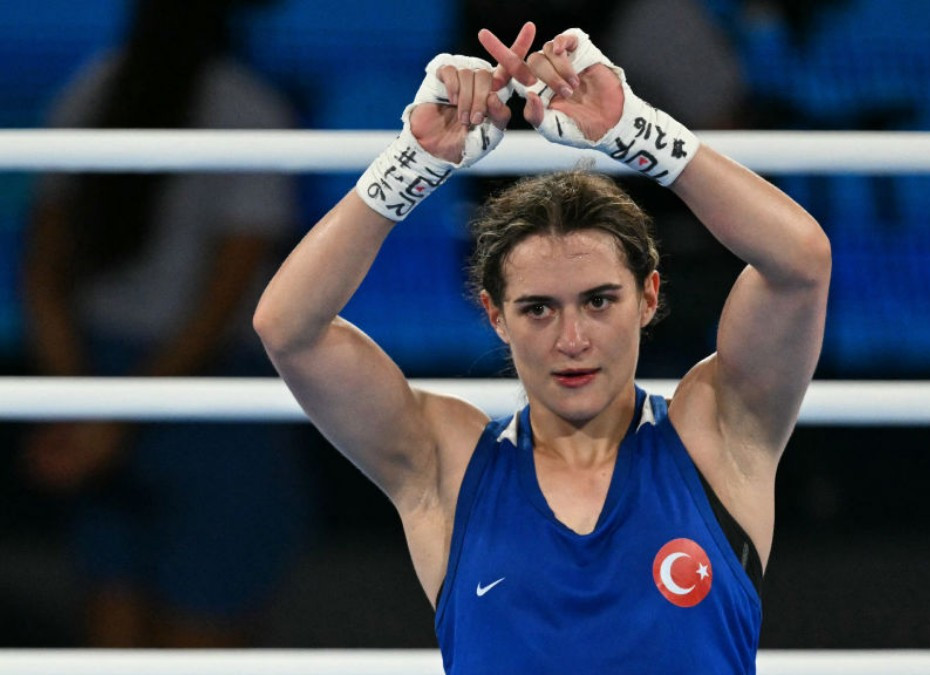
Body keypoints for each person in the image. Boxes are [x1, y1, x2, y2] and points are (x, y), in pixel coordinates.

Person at [255, 22, 830, 672]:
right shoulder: (445, 465)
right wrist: (414, 162)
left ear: (648, 297)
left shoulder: (715, 435)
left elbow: (800, 264)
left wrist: (636, 130)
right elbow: (288, 327)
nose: (573, 339)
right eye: (538, 308)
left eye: (598, 300)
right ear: (497, 317)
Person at [23, 0, 309, 647]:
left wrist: (88, 404)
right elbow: (229, 304)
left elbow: (43, 274)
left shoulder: (91, 88)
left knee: (121, 622)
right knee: (184, 638)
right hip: (204, 393)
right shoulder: (251, 111)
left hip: (116, 377)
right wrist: (99, 411)